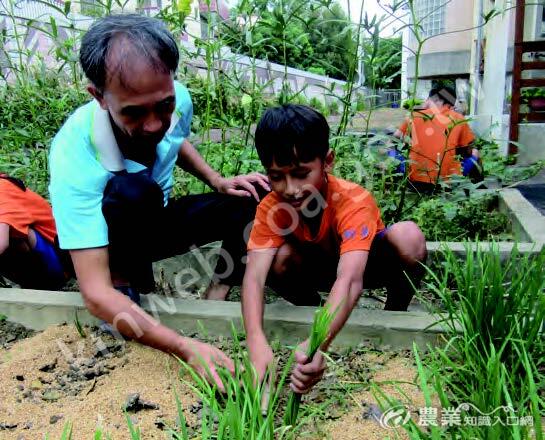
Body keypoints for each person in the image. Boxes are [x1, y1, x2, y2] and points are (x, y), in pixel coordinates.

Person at [48, 14, 270, 387]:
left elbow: (175, 140)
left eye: (162, 106)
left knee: (252, 198)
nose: (153, 123)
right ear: (99, 96)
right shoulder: (74, 154)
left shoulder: (176, 99)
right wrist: (184, 346)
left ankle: (217, 290)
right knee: (132, 192)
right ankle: (128, 282)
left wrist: (217, 180)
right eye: (134, 112)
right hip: (108, 241)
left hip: (155, 218)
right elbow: (94, 293)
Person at [241, 104, 427, 394]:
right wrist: (255, 340)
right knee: (277, 258)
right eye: (276, 176)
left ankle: (396, 309)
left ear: (327, 162)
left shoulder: (352, 200)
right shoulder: (272, 208)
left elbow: (350, 279)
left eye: (302, 173)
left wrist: (319, 341)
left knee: (409, 237)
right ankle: (313, 309)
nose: (290, 188)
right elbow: (253, 277)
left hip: (364, 268)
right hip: (317, 269)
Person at [393, 86, 482, 193]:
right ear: (451, 104)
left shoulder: (415, 116)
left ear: (434, 99)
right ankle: (477, 188)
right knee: (475, 152)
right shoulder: (458, 119)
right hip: (446, 183)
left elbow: (396, 137)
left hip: (415, 182)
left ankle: (396, 183)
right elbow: (466, 151)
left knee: (392, 151)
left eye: (427, 99)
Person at [0, 174, 69, 290]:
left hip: (58, 264)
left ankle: (39, 286)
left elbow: (2, 243)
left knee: (14, 234)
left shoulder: (2, 189)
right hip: (39, 260)